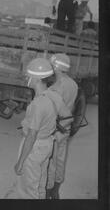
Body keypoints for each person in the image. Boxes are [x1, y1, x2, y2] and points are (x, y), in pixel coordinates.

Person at [14, 58, 71, 199]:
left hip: (34, 147)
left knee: (27, 190)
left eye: (29, 76)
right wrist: (56, 133)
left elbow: (31, 136)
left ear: (37, 79)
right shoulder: (53, 95)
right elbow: (69, 117)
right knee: (40, 184)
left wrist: (20, 162)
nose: (27, 78)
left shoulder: (38, 104)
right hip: (47, 145)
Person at [46, 53, 78, 199]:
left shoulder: (56, 87)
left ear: (56, 67)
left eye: (52, 65)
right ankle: (56, 192)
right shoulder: (73, 84)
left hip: (55, 129)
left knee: (50, 162)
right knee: (60, 159)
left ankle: (48, 192)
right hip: (65, 130)